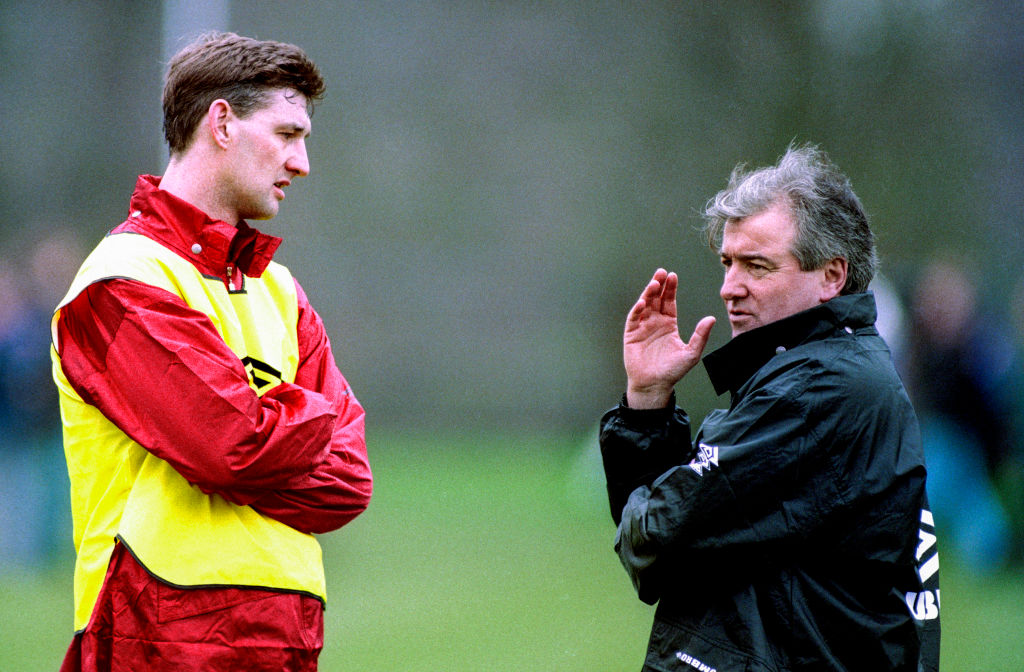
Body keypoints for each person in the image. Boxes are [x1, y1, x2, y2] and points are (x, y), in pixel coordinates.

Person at [50, 32, 372, 671]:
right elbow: (232, 447)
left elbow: (349, 481)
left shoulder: (279, 289)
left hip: (286, 640)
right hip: (153, 640)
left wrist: (259, 429)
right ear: (221, 122)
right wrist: (304, 419)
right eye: (286, 134)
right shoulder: (121, 279)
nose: (302, 162)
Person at [599, 144, 940, 671]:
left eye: (756, 266)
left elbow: (655, 544)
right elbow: (661, 551)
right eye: (727, 262)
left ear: (831, 276)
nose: (729, 288)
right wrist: (647, 401)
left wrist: (660, 499)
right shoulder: (821, 372)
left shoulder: (817, 390)